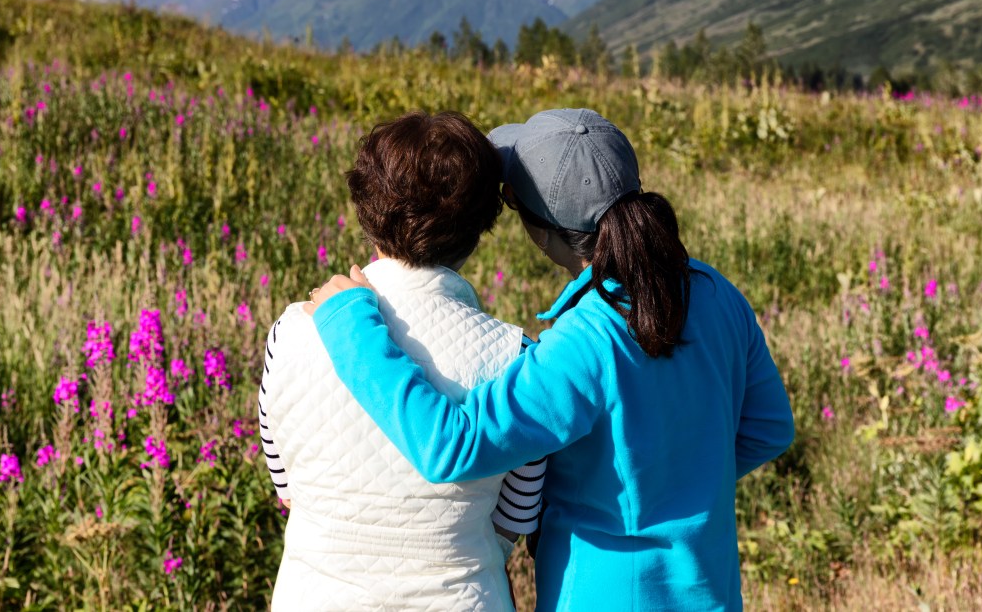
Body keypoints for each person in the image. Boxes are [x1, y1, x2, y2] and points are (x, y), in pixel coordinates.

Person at [305, 108, 795, 611]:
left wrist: (350, 325)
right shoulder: (715, 293)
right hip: (711, 591)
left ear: (543, 231)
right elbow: (770, 428)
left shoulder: (587, 339)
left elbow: (449, 448)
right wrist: (679, 482)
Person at [258, 111, 545, 611]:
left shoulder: (291, 332)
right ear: (481, 226)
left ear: (367, 210)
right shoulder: (518, 359)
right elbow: (516, 519)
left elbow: (286, 487)